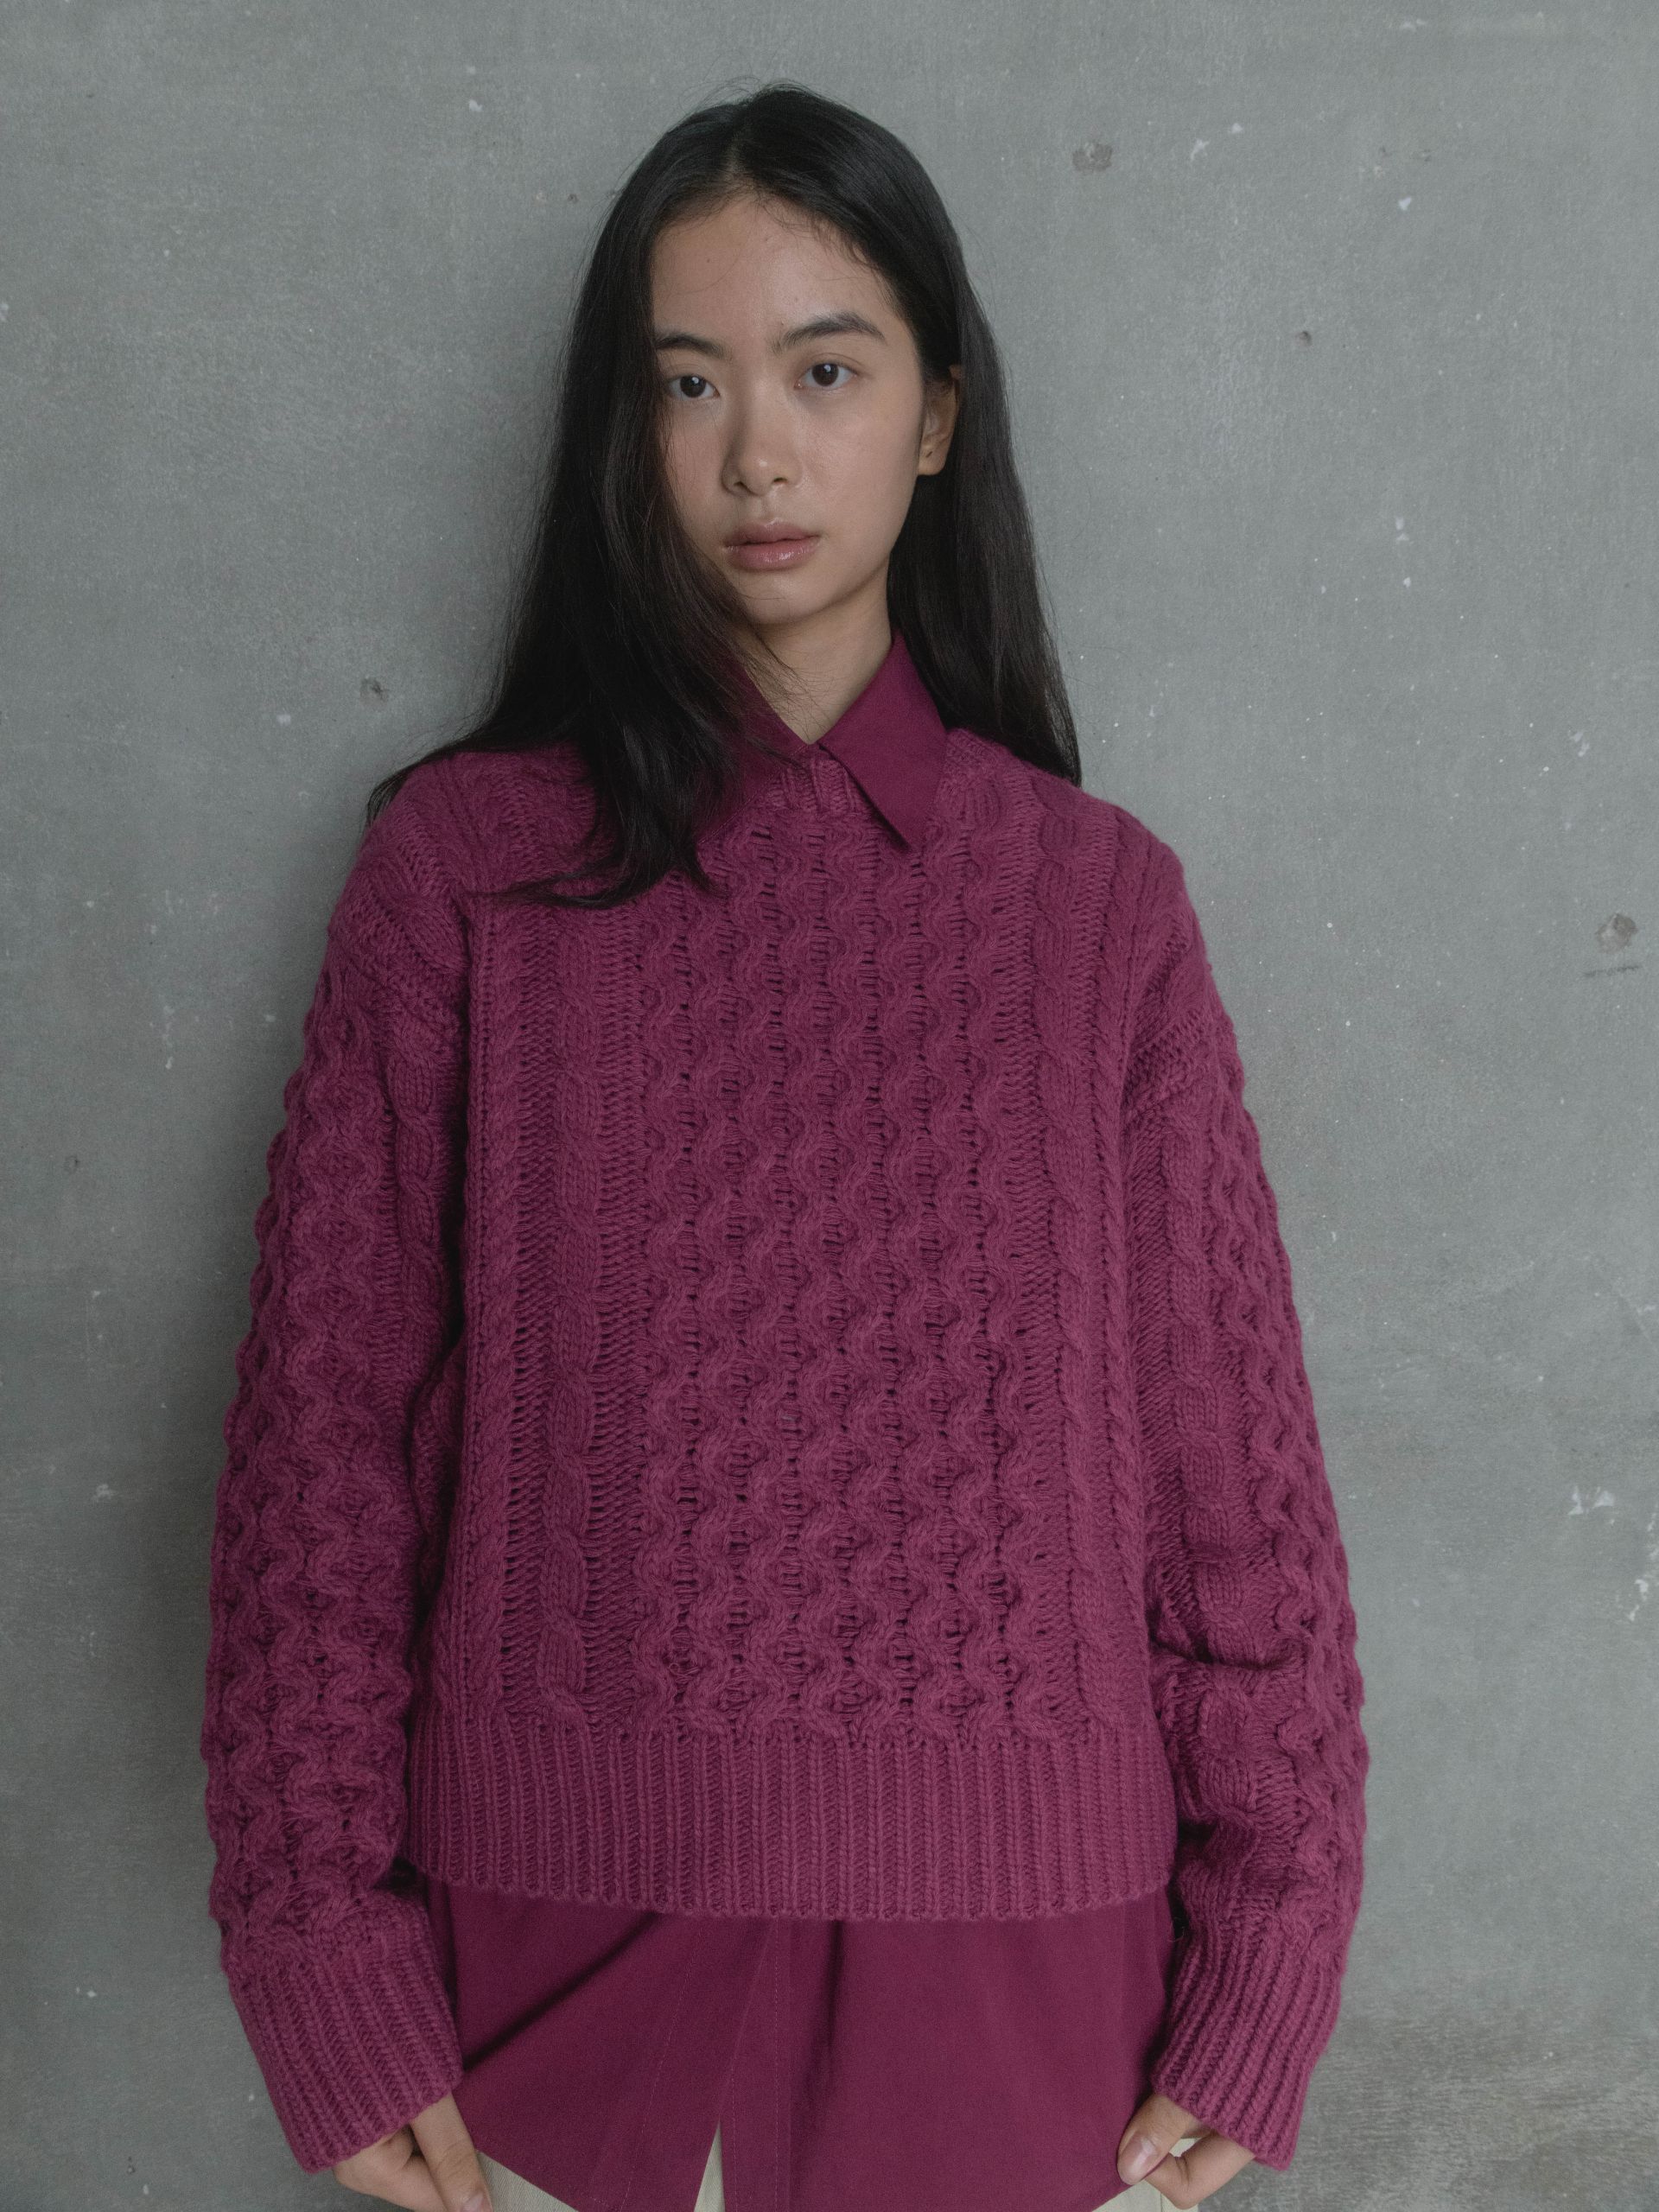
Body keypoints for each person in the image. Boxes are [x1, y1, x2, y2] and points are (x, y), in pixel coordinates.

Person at [198, 79, 1370, 2212]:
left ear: (934, 418)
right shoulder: (465, 878)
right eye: (691, 381)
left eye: (827, 372)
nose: (757, 452)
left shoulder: (1097, 909)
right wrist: (318, 1953)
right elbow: (319, 1459)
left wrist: (1274, 1952)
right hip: (547, 2004)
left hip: (1040, 2018)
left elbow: (1237, 1498)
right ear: (624, 429)